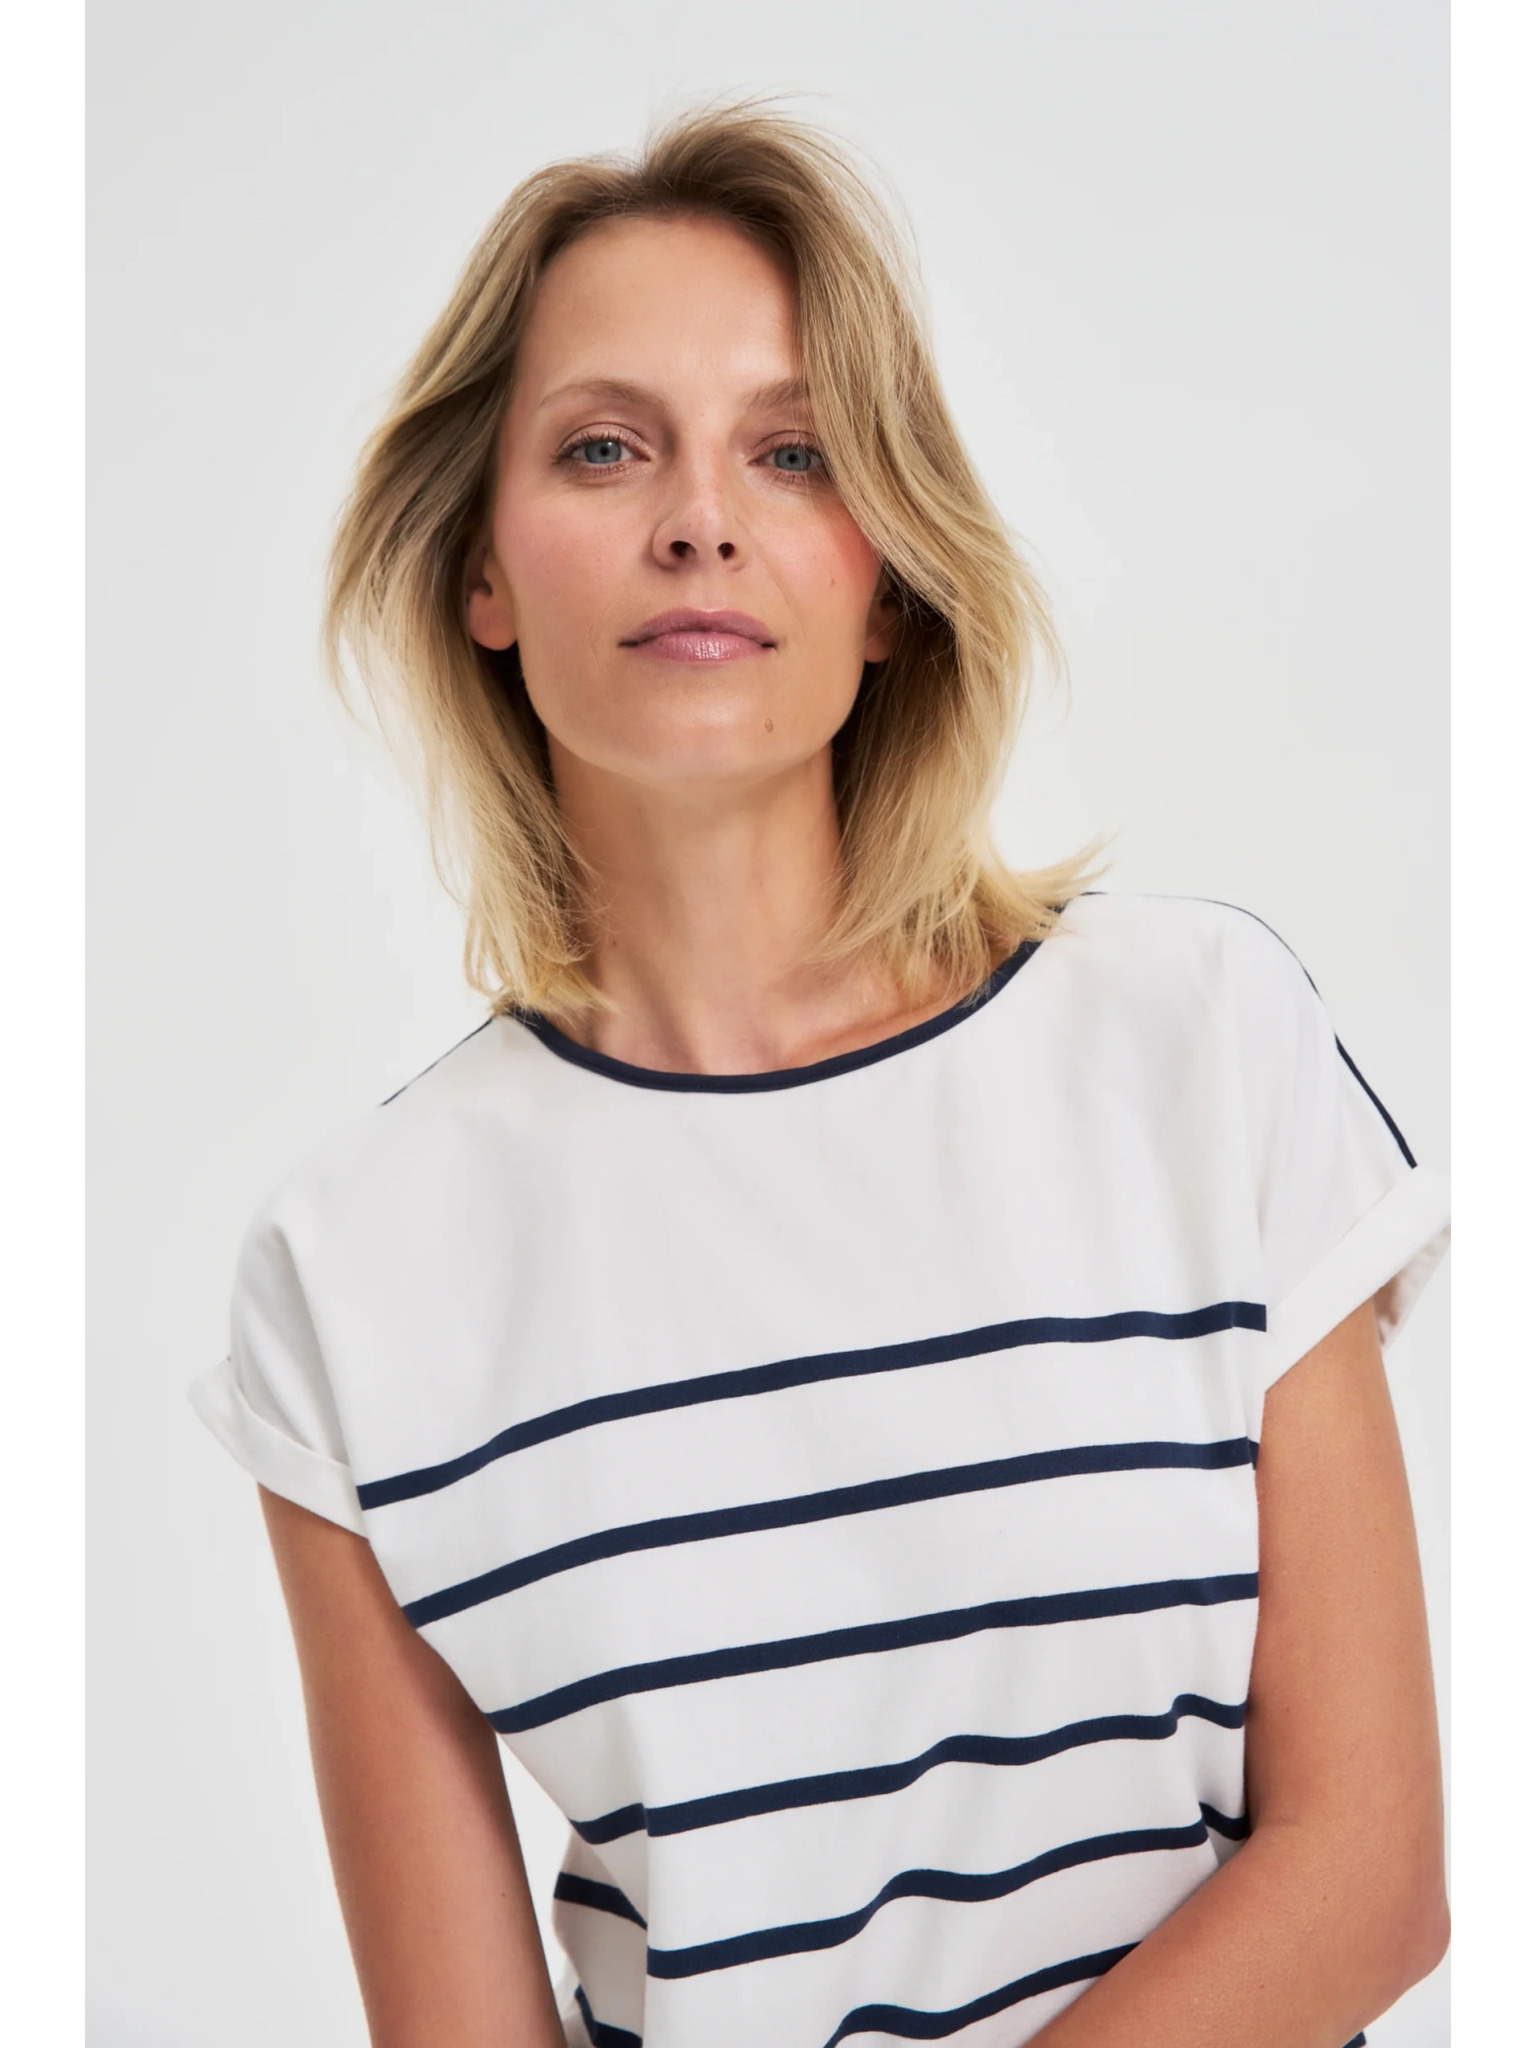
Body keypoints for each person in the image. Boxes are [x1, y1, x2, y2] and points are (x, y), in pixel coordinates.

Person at [188, 101, 1450, 2048]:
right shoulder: (350, 1273)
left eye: (791, 452)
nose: (699, 518)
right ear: (480, 572)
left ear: (890, 578)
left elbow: (1370, 1872)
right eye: (604, 447)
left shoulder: (1201, 1044)